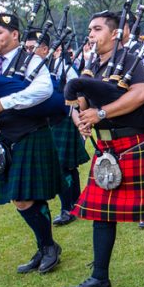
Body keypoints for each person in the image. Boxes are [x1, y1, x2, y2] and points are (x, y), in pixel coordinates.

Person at [60, 11, 144, 287]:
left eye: (97, 29)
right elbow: (78, 100)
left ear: (114, 33)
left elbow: (141, 95)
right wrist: (80, 118)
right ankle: (99, 278)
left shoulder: (131, 60)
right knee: (101, 213)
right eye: (90, 30)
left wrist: (102, 113)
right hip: (106, 147)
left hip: (135, 143)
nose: (91, 35)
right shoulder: (91, 64)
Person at [0, 13, 63, 274]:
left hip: (31, 133)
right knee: (21, 198)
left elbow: (43, 91)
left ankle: (48, 247)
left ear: (15, 35)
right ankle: (46, 246)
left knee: (23, 197)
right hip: (3, 137)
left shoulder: (32, 61)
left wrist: (3, 103)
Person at [23, 32, 89, 226]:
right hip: (43, 123)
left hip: (63, 119)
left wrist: (76, 114)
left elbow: (78, 89)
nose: (28, 52)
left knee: (64, 166)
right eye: (26, 48)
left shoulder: (63, 67)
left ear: (45, 49)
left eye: (32, 48)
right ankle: (74, 204)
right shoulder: (26, 68)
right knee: (57, 166)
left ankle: (69, 207)